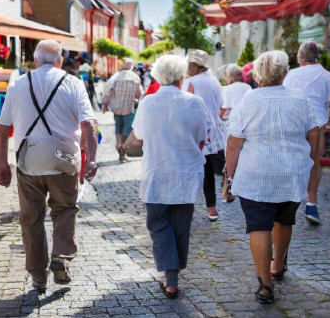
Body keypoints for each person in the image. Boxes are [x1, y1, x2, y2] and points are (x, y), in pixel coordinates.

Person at [0, 40, 98, 295]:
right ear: (60, 60)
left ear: (35, 60)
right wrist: (92, 158)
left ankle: (38, 276)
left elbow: (2, 127)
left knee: (31, 218)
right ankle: (61, 257)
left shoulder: (18, 83)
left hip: (28, 155)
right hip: (63, 153)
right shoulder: (73, 83)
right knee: (64, 208)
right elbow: (88, 124)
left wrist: (1, 163)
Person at [226, 51, 318, 304]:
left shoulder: (248, 100)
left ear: (258, 73)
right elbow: (314, 132)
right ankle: (278, 265)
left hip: (256, 173)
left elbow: (234, 143)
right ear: (284, 72)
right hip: (291, 171)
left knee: (259, 226)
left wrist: (229, 177)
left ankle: (265, 284)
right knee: (284, 220)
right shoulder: (300, 99)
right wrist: (311, 160)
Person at [132, 55, 210, 299]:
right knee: (180, 225)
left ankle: (171, 278)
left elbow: (140, 135)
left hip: (157, 170)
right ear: (181, 75)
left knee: (158, 224)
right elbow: (201, 137)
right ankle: (172, 279)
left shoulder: (148, 103)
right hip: (185, 172)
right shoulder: (194, 102)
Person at [283, 41, 330, 225]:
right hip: (317, 123)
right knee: (314, 163)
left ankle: (286, 203)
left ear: (300, 58)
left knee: (291, 161)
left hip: (294, 122)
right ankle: (311, 203)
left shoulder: (291, 75)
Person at [183, 49, 224, 221]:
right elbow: (221, 104)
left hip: (198, 131)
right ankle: (211, 208)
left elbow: (186, 105)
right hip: (215, 131)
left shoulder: (191, 81)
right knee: (207, 171)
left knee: (191, 169)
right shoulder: (214, 80)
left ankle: (185, 206)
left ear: (194, 65)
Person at [102, 58, 141, 162]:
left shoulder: (116, 77)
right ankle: (123, 147)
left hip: (116, 108)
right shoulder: (135, 78)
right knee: (127, 129)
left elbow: (108, 91)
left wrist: (105, 104)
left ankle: (119, 143)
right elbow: (138, 94)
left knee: (118, 127)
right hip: (129, 108)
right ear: (132, 66)